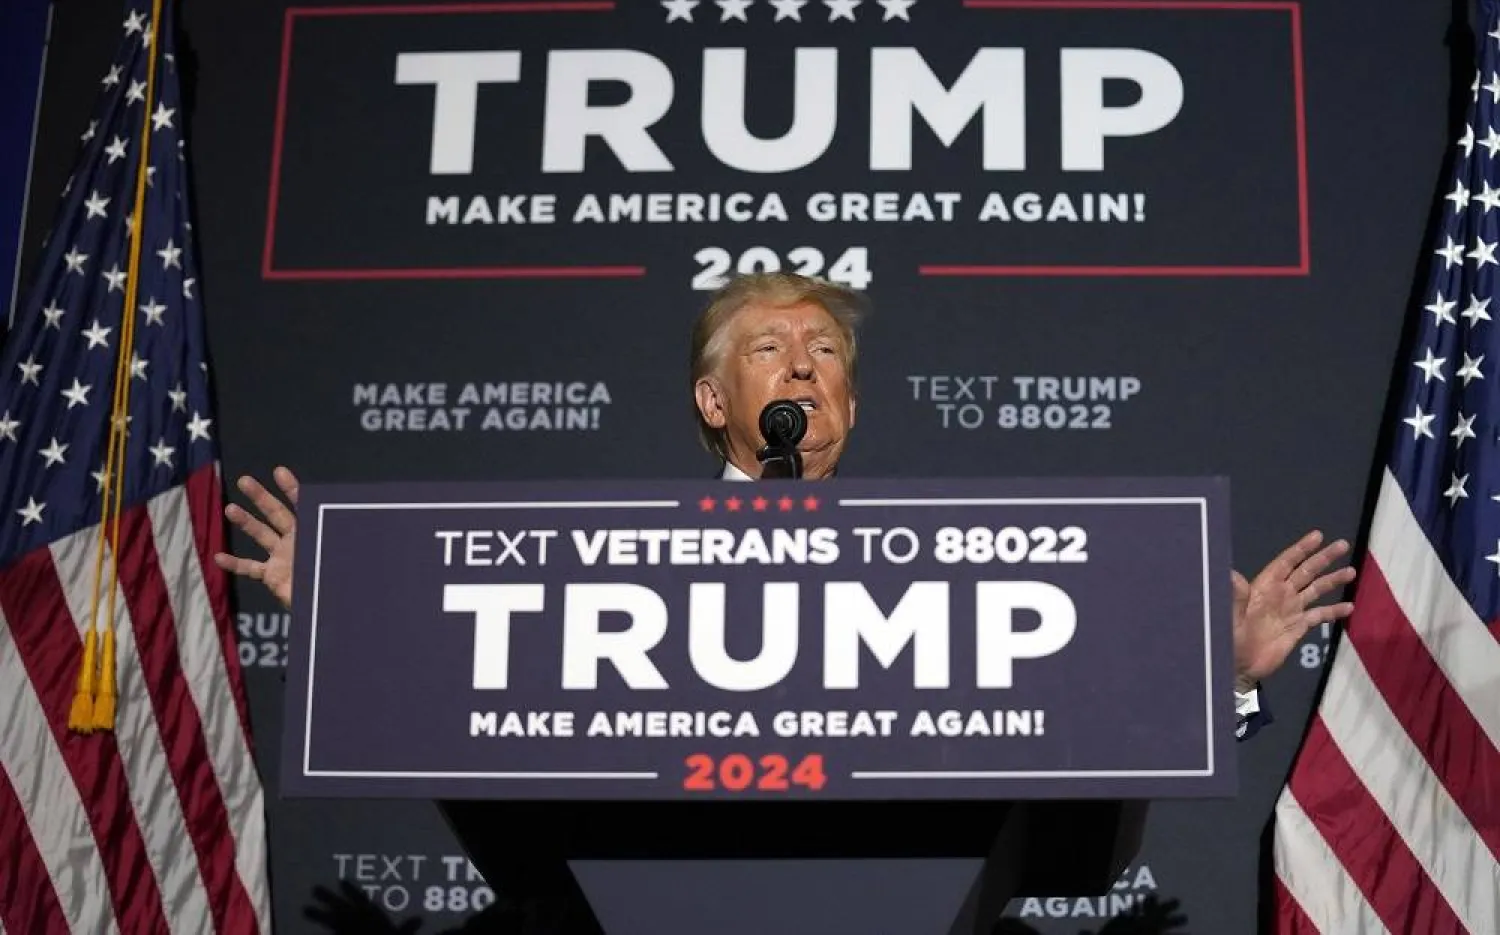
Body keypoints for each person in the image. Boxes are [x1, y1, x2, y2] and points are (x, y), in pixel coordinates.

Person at [215, 273, 1355, 740]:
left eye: (825, 352)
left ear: (850, 401)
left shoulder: (952, 570)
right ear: (717, 400)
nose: (803, 367)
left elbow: (1061, 708)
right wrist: (348, 612)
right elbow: (487, 677)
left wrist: (1227, 678)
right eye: (771, 348)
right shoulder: (611, 563)